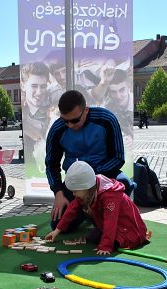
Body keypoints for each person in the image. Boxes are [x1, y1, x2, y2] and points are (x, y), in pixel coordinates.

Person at [46, 90, 133, 230]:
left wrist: (93, 179)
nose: (69, 125)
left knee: (124, 184)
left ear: (86, 110)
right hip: (76, 182)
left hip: (105, 175)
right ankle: (89, 214)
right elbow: (51, 164)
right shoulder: (57, 129)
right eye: (65, 120)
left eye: (74, 120)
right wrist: (58, 193)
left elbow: (118, 157)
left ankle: (102, 215)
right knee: (59, 226)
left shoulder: (107, 119)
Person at [44, 161, 149, 255]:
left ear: (86, 187)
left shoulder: (110, 196)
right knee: (94, 237)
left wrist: (105, 247)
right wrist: (57, 230)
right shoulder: (88, 188)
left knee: (114, 242)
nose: (73, 194)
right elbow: (72, 209)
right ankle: (107, 239)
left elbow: (110, 222)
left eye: (75, 191)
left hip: (127, 227)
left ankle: (116, 241)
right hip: (111, 225)